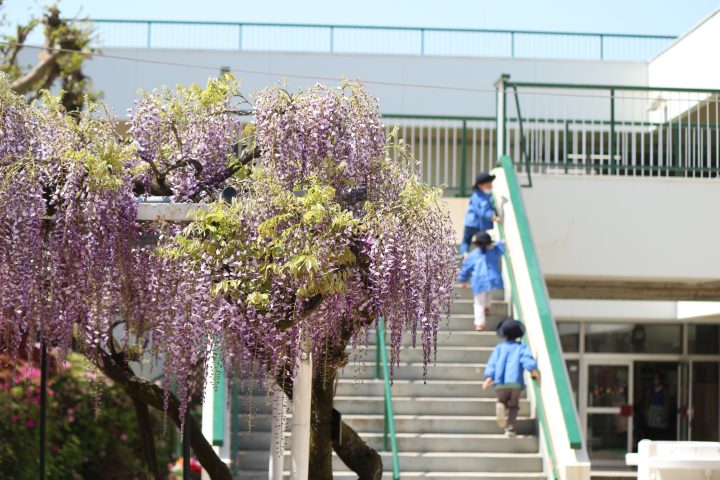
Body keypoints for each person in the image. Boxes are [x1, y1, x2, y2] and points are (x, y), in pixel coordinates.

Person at [482, 318, 539, 437]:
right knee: (513, 406)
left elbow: (492, 363)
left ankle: (500, 405)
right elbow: (526, 359)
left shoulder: (499, 348)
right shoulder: (521, 347)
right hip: (515, 382)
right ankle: (510, 428)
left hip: (500, 382)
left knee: (502, 400)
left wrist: (489, 377)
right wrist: (533, 370)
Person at [457, 232, 505, 331]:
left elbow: (466, 269)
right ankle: (487, 307)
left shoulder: (472, 255)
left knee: (479, 302)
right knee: (488, 293)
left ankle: (479, 323)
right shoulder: (493, 251)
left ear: (476, 244)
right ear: (489, 243)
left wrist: (463, 280)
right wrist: (502, 243)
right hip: (491, 279)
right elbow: (500, 249)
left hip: (479, 281)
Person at [460, 172, 501, 257]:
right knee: (482, 242)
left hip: (470, 222)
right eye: (488, 183)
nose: (491, 185)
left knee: (466, 241)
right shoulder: (482, 197)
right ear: (480, 185)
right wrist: (493, 217)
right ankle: (478, 256)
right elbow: (484, 211)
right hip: (478, 224)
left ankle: (465, 255)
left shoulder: (477, 195)